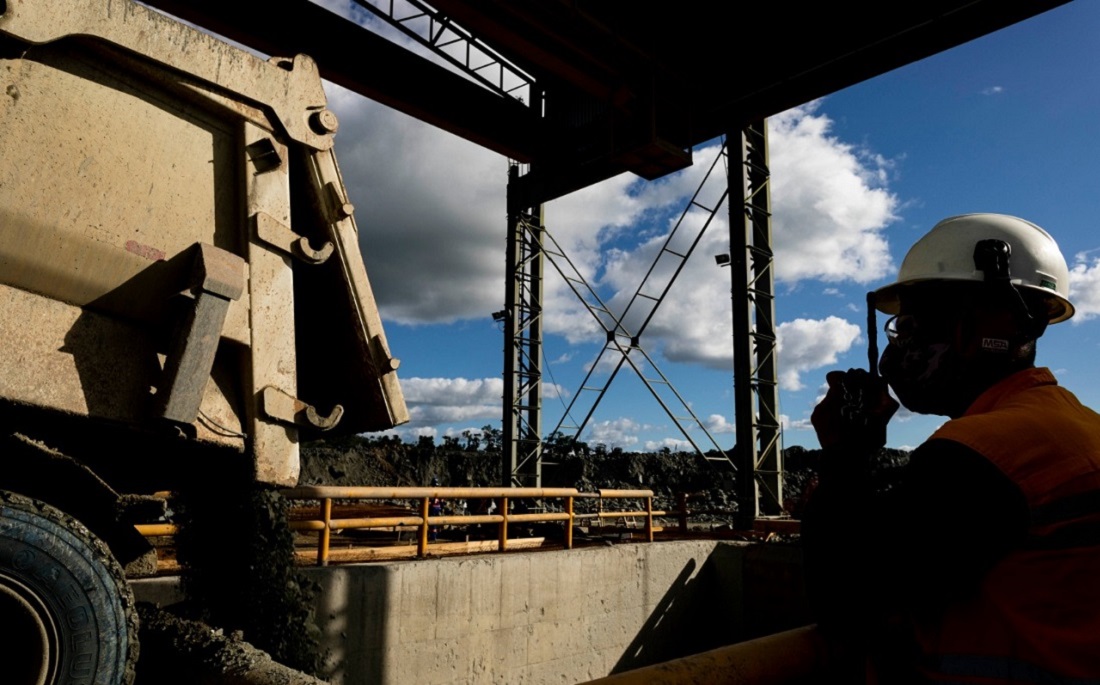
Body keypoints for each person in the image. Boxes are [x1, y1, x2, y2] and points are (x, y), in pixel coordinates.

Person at [803, 214, 1100, 683]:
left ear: (977, 327)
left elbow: (847, 603)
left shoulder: (979, 454)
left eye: (907, 327)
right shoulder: (1076, 427)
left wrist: (846, 457)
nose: (894, 352)